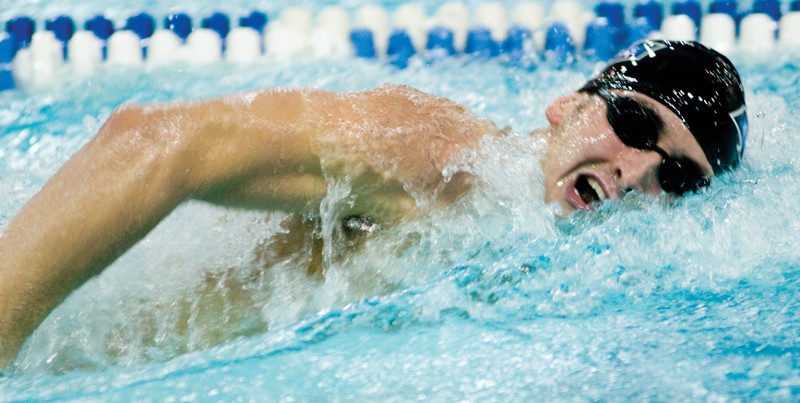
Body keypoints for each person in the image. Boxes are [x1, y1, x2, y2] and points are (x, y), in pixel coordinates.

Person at [0, 39, 747, 368]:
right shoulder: (443, 161)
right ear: (569, 105)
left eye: (677, 177)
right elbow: (152, 142)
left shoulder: (573, 263)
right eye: (634, 122)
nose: (636, 171)